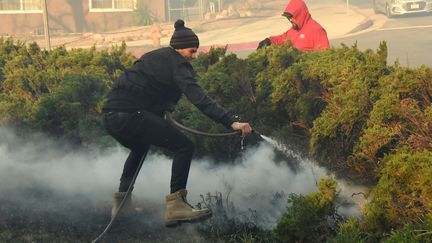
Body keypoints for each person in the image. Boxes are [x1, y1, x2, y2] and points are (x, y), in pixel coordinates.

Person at [102, 19, 253, 227]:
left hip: (111, 117)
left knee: (139, 148)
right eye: (192, 51)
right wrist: (231, 122)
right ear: (180, 48)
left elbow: (141, 87)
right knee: (184, 146)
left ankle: (122, 205)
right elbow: (199, 98)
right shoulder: (178, 65)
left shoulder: (153, 57)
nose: (194, 56)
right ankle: (176, 206)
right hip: (131, 115)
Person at [257, 0, 330, 51]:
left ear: (300, 14)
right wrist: (270, 41)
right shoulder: (295, 29)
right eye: (289, 17)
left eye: (292, 17)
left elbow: (325, 56)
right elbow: (284, 38)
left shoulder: (317, 31)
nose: (290, 20)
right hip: (293, 69)